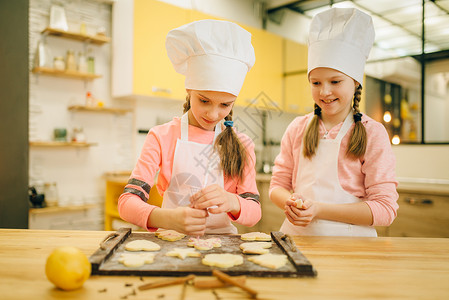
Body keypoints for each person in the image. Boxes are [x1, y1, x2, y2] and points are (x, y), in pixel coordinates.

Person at [118, 19, 261, 236]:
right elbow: (127, 202)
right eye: (204, 101)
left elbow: (255, 212)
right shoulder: (161, 136)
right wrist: (167, 218)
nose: (213, 115)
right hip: (170, 240)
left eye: (225, 105)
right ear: (189, 90)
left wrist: (232, 201)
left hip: (223, 246)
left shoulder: (242, 144)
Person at [269, 8, 399, 237]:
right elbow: (277, 186)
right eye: (316, 82)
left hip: (351, 248)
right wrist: (291, 203)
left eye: (335, 81)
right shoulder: (297, 128)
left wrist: (318, 210)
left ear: (356, 82)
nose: (325, 91)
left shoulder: (372, 134)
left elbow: (385, 209)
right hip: (297, 241)